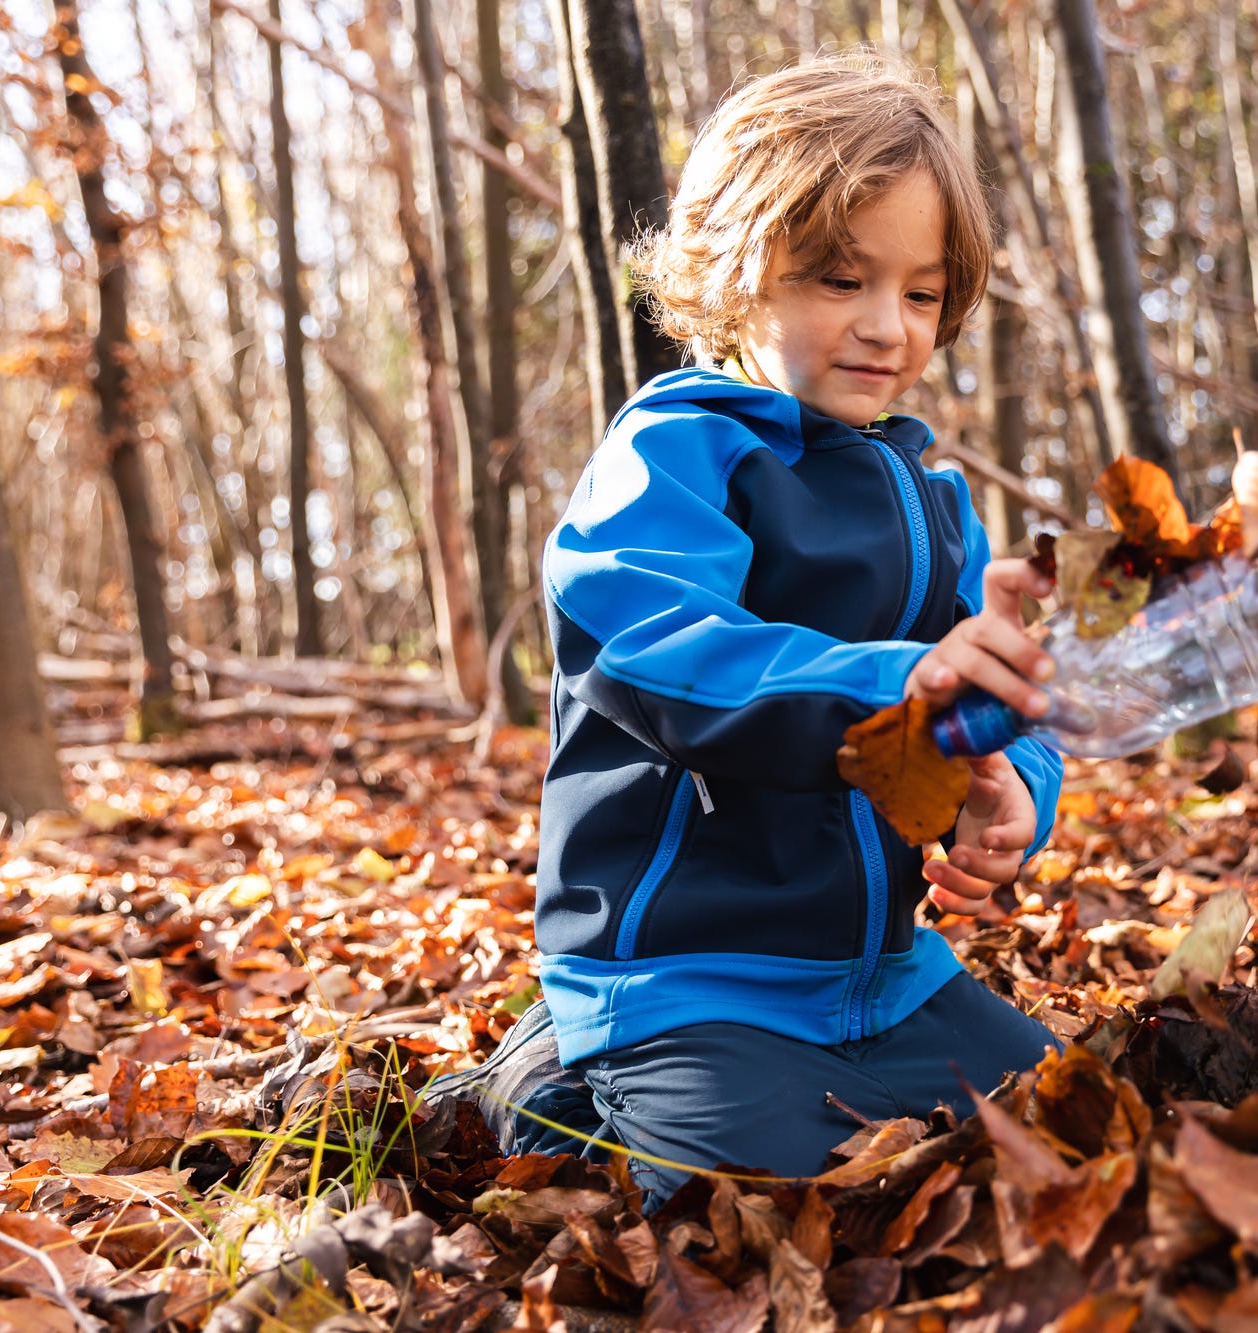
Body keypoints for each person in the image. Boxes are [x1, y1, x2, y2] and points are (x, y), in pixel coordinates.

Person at [432, 53, 1063, 1204]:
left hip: (888, 979)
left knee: (1075, 1136)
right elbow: (658, 651)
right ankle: (552, 1084)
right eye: (836, 278)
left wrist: (1013, 782)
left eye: (919, 293)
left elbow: (995, 693)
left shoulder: (929, 494)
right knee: (761, 1211)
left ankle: (764, 1072)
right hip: (685, 977)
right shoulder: (673, 455)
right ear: (732, 273)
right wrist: (904, 685)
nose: (886, 327)